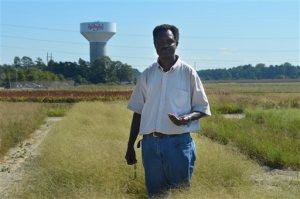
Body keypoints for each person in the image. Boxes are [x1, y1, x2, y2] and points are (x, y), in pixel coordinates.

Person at [125, 24, 211, 198]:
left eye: (169, 41)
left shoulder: (188, 73)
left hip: (178, 145)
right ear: (155, 45)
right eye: (160, 42)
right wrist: (130, 146)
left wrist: (186, 118)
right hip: (150, 145)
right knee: (156, 195)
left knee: (181, 193)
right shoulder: (147, 75)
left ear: (177, 43)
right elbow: (138, 112)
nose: (165, 45)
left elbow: (202, 108)